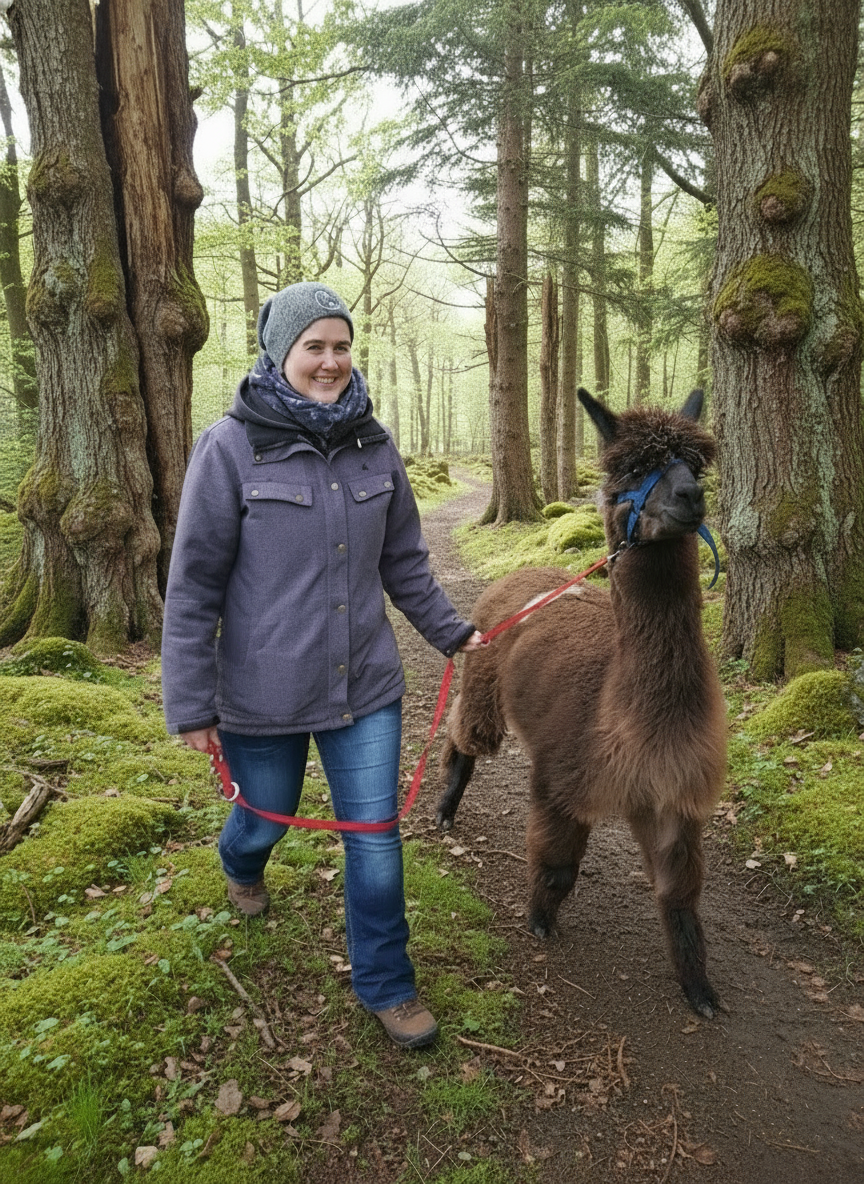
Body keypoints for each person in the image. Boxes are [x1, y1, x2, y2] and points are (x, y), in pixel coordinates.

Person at [161, 281, 483, 1049]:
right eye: (315, 347)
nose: (331, 361)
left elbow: (405, 561)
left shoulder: (376, 444)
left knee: (374, 837)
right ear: (282, 353)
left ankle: (388, 984)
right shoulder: (229, 447)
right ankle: (241, 862)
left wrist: (454, 634)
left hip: (365, 686)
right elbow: (194, 584)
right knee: (263, 819)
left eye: (341, 346)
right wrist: (191, 704)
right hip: (261, 692)